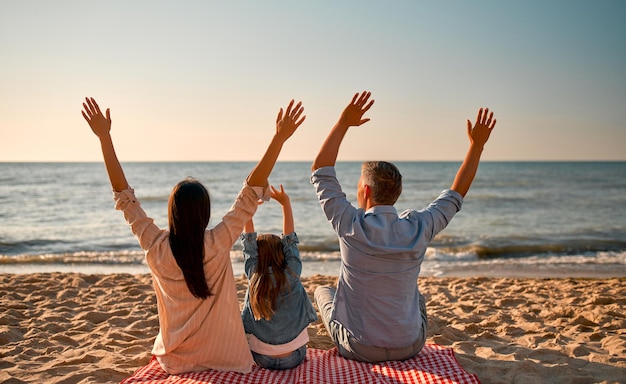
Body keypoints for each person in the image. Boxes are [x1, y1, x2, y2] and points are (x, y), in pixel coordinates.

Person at [81, 96, 305, 374]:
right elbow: (250, 190)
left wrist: (104, 137)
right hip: (227, 360)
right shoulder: (217, 241)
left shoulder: (155, 245)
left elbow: (124, 197)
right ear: (205, 213)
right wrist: (279, 138)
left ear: (172, 212)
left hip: (175, 362)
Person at [310, 91, 496, 363]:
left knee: (322, 292)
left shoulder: (350, 225)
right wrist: (476, 146)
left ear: (365, 190)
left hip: (358, 348)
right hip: (411, 345)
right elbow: (457, 193)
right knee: (416, 297)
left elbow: (320, 170)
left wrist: (343, 124)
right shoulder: (420, 226)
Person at [240, 184, 318, 370]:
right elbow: (290, 240)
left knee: (252, 289)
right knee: (296, 287)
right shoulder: (292, 271)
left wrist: (248, 211)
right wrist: (285, 204)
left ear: (258, 256)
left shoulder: (254, 272)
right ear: (282, 254)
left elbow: (248, 243)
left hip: (260, 358)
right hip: (295, 358)